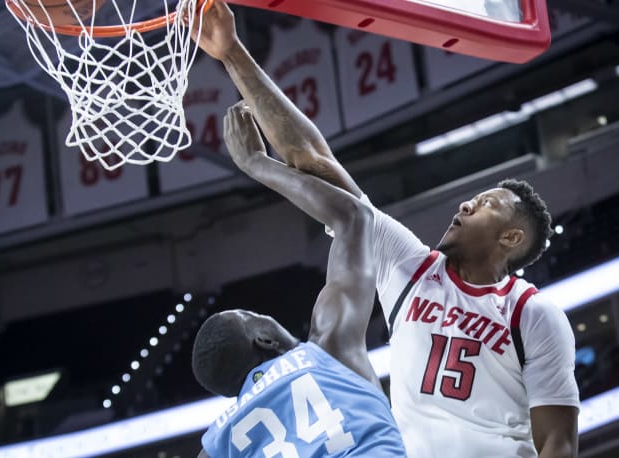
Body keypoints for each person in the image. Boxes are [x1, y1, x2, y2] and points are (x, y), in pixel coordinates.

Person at [193, 2, 580, 457]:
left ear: (511, 238)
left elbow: (557, 440)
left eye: (488, 205)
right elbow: (317, 167)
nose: (468, 202)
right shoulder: (413, 269)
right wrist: (232, 53)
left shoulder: (532, 313)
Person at [192, 103, 406, 457]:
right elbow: (354, 218)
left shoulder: (218, 443)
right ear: (263, 338)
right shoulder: (327, 348)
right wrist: (256, 163)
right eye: (260, 317)